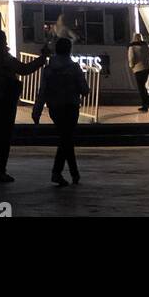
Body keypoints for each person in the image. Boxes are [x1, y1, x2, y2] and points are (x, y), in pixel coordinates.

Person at [0, 29, 47, 183]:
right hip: (6, 100)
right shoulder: (4, 58)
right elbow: (24, 69)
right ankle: (1, 171)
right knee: (5, 135)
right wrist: (42, 59)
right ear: (1, 42)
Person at [32, 37, 89, 186]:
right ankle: (58, 172)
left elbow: (43, 91)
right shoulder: (74, 68)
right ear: (69, 50)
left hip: (55, 107)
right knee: (67, 139)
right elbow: (84, 89)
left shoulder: (49, 69)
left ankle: (74, 174)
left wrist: (37, 110)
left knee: (66, 139)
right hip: (71, 106)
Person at [127, 32, 149, 112]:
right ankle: (147, 101)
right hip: (147, 68)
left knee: (141, 87)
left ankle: (146, 103)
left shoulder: (132, 47)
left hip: (138, 69)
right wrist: (148, 63)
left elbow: (131, 58)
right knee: (143, 86)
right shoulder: (146, 46)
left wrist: (131, 66)